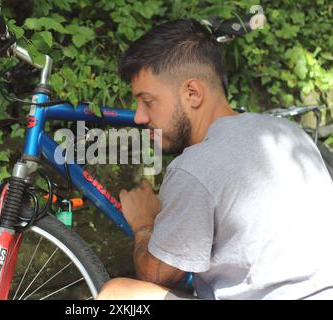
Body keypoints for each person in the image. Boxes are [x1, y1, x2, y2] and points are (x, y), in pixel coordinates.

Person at [96, 19, 333, 300]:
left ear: (192, 93)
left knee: (116, 294)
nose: (139, 117)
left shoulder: (195, 167)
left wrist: (144, 223)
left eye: (147, 101)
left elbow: (156, 274)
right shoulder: (288, 132)